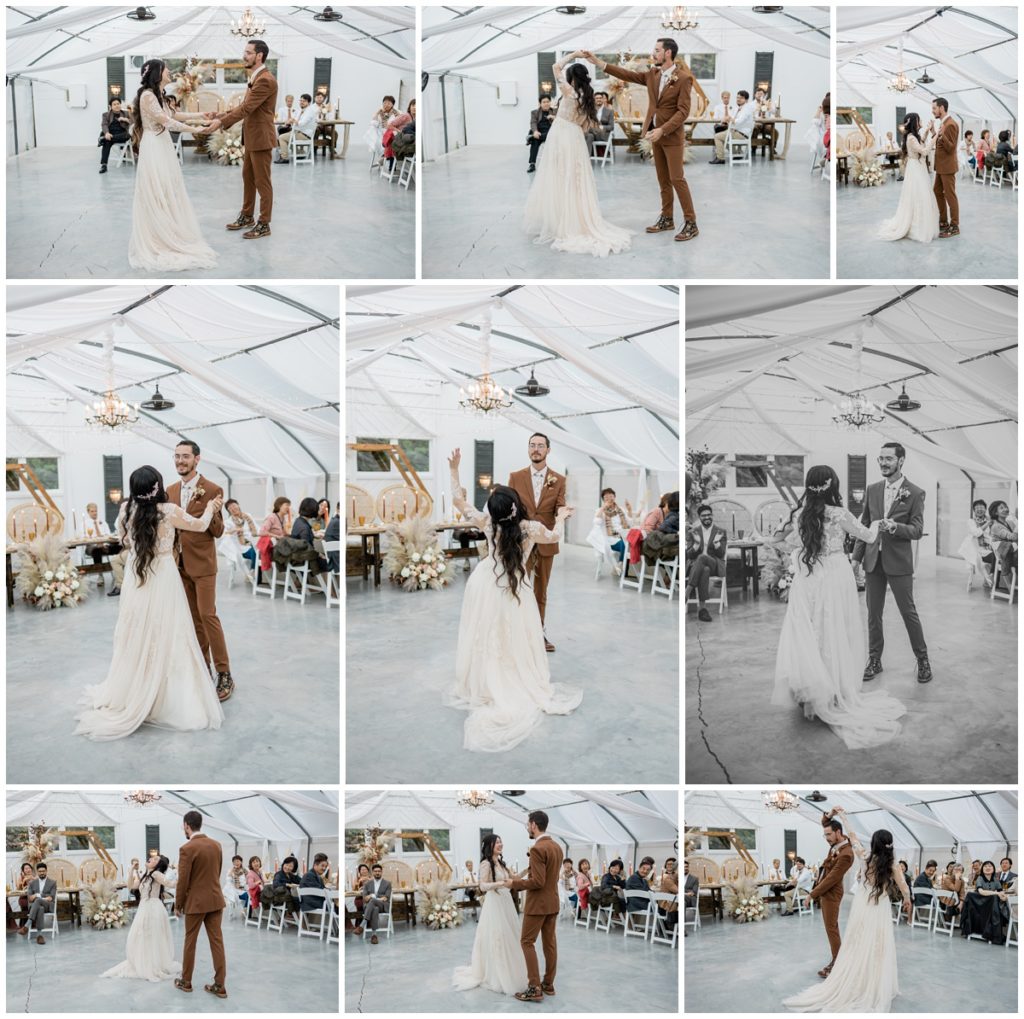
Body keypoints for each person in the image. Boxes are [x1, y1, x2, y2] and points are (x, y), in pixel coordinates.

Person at [74, 465, 225, 740]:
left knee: (137, 629)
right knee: (169, 630)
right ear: (157, 486)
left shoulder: (126, 510)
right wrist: (212, 509)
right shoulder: (168, 511)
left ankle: (136, 685)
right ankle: (165, 693)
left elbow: (123, 540)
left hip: (136, 574)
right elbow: (201, 526)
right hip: (164, 574)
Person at [447, 448, 582, 752]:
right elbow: (555, 536)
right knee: (514, 633)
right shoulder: (530, 528)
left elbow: (458, 501)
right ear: (516, 506)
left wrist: (455, 470)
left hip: (485, 582)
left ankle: (483, 681)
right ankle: (512, 676)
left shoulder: (487, 523)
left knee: (485, 632)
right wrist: (560, 516)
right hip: (513, 587)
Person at [773, 464, 907, 747]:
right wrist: (878, 523)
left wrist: (800, 552)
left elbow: (783, 543)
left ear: (810, 486)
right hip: (834, 573)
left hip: (808, 576)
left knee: (808, 630)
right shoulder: (838, 513)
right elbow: (868, 536)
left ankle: (809, 691)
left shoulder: (800, 514)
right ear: (831, 485)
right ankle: (832, 692)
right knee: (834, 629)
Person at [784, 807, 910, 1011]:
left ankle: (854, 973)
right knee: (879, 941)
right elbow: (903, 886)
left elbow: (851, 835)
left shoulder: (864, 855)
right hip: (880, 906)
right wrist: (908, 900)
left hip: (862, 904)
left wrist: (844, 815)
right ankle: (874, 979)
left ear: (874, 843)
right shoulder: (893, 865)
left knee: (857, 939)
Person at [584, 40, 697, 242]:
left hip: (670, 137)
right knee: (663, 180)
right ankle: (667, 218)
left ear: (668, 53)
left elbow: (683, 111)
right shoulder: (652, 75)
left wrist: (663, 129)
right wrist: (599, 63)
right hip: (653, 134)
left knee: (677, 179)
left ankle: (691, 223)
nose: (653, 53)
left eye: (657, 50)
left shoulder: (684, 78)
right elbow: (627, 75)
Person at [524, 54, 631, 256]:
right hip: (575, 137)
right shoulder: (587, 97)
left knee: (558, 176)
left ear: (572, 77)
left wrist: (574, 55)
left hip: (562, 135)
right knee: (574, 179)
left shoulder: (569, 91)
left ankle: (564, 220)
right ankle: (574, 217)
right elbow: (585, 125)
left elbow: (555, 65)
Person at [852, 443, 931, 683]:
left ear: (901, 460)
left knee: (908, 613)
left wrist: (896, 527)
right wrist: (856, 558)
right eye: (881, 459)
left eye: (888, 459)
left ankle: (923, 660)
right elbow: (864, 526)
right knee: (873, 614)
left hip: (898, 562)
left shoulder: (915, 493)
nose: (883, 463)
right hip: (873, 561)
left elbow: (917, 530)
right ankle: (874, 659)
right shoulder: (873, 489)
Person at [128, 60, 216, 271]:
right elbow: (169, 123)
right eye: (167, 70)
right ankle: (158, 237)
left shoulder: (158, 95)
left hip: (162, 144)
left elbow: (174, 115)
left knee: (168, 189)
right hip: (154, 146)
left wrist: (200, 116)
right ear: (158, 73)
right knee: (157, 190)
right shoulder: (148, 96)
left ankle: (168, 230)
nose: (170, 72)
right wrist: (198, 130)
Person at [166, 441, 234, 702]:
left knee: (208, 616)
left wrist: (214, 513)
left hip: (204, 565)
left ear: (197, 459)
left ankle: (224, 672)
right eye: (177, 457)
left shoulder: (213, 489)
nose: (180, 461)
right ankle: (202, 669)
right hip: (178, 565)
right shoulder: (170, 490)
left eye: (185, 456)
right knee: (194, 620)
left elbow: (217, 531)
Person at [203, 40, 278, 241]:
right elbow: (245, 106)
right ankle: (247, 216)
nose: (244, 56)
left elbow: (246, 109)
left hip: (261, 138)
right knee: (248, 178)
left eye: (248, 52)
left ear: (259, 55)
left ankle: (264, 224)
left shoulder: (265, 80)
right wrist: (220, 115)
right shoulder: (256, 77)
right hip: (253, 137)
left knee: (263, 182)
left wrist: (220, 123)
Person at [506, 433, 567, 650]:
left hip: (546, 543)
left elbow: (559, 505)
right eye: (532, 445)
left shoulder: (559, 479)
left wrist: (564, 512)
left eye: (541, 446)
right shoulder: (515, 476)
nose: (536, 449)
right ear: (528, 449)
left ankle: (539, 633)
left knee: (541, 591)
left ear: (548, 450)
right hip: (521, 543)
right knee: (518, 587)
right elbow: (509, 507)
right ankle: (516, 633)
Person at [452, 833, 528, 996]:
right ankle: (497, 974)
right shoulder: (486, 864)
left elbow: (513, 879)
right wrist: (501, 884)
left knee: (510, 935)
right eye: (497, 842)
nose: (501, 844)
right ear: (490, 846)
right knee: (498, 936)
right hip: (495, 903)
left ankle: (512, 968)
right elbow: (483, 886)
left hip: (506, 902)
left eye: (501, 842)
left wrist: (528, 869)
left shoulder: (501, 863)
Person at [509, 811, 563, 1003]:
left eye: (527, 824)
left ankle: (534, 987)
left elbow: (538, 881)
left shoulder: (537, 849)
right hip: (552, 902)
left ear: (533, 825)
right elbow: (549, 878)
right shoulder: (557, 847)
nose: (527, 828)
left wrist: (514, 884)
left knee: (526, 942)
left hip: (538, 904)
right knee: (550, 944)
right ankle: (548, 983)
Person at [173, 811, 227, 998]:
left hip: (196, 903)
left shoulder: (187, 848)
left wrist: (178, 904)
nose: (183, 829)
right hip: (215, 900)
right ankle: (220, 985)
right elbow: (217, 872)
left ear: (187, 825)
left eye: (183, 826)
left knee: (190, 942)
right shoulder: (217, 845)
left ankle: (186, 981)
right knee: (217, 942)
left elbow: (183, 881)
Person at [101, 854, 179, 981]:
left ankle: (152, 964)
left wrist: (179, 873)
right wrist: (132, 869)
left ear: (158, 865)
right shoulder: (145, 876)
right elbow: (131, 886)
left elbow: (170, 883)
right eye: (152, 857)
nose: (151, 858)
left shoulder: (156, 874)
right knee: (141, 935)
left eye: (155, 859)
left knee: (150, 935)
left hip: (153, 908)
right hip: (144, 907)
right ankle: (145, 960)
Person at [878, 112, 939, 243]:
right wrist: (936, 137)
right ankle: (916, 225)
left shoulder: (913, 136)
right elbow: (924, 151)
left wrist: (928, 131)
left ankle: (919, 221)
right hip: (916, 168)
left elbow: (921, 141)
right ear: (914, 123)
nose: (920, 121)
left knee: (920, 194)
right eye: (919, 120)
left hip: (917, 166)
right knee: (919, 195)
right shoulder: (911, 138)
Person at [686, 502, 726, 622]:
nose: (707, 517)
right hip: (697, 567)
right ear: (699, 517)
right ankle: (702, 610)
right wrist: (697, 544)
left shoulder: (720, 531)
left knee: (703, 558)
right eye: (704, 515)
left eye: (709, 515)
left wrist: (717, 543)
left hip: (714, 563)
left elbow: (721, 554)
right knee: (704, 569)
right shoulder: (693, 532)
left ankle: (687, 592)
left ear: (712, 515)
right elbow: (689, 554)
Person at [930, 97, 960, 238]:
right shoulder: (943, 124)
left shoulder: (951, 124)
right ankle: (943, 221)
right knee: (937, 191)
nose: (933, 111)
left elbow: (951, 148)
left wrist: (941, 135)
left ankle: (954, 226)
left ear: (942, 108)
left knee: (950, 196)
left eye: (934, 108)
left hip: (947, 167)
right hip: (941, 167)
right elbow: (941, 141)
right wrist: (933, 133)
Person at [587, 487, 632, 573]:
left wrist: (629, 510)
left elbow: (629, 522)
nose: (609, 499)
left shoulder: (620, 510)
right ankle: (622, 564)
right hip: (610, 540)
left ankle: (623, 569)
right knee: (624, 543)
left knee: (630, 542)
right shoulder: (600, 511)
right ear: (603, 500)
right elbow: (596, 522)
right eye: (606, 497)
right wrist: (603, 508)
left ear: (614, 497)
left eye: (611, 496)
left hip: (622, 535)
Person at [957, 498, 995, 589]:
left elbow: (992, 535)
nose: (979, 509)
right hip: (975, 549)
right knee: (994, 557)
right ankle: (990, 578)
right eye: (977, 508)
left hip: (987, 548)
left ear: (985, 509)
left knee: (998, 555)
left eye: (982, 507)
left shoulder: (990, 521)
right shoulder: (971, 521)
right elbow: (976, 533)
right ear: (974, 510)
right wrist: (987, 524)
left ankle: (991, 578)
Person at [16, 863, 57, 944]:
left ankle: (26, 926)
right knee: (40, 908)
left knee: (37, 900)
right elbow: (30, 898)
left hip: (48, 905)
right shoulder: (32, 883)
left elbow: (51, 897)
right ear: (37, 872)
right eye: (40, 871)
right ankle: (39, 936)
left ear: (46, 871)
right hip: (36, 906)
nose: (42, 873)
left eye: (43, 871)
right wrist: (44, 896)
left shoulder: (52, 882)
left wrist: (37, 895)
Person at [710, 89, 754, 164]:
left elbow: (738, 122)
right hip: (736, 131)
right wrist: (729, 119)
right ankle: (736, 153)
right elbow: (733, 119)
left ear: (746, 100)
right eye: (737, 97)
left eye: (741, 98)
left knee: (717, 136)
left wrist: (730, 119)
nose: (738, 99)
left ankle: (720, 158)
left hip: (741, 134)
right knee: (722, 136)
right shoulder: (739, 108)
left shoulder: (746, 109)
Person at [290, 497, 329, 572]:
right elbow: (308, 549)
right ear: (313, 510)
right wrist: (319, 554)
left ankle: (300, 580)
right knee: (332, 563)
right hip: (304, 560)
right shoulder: (305, 528)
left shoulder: (298, 521)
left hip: (295, 557)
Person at [277, 92, 317, 163]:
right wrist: (290, 120)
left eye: (304, 101)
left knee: (282, 137)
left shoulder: (310, 111)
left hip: (304, 134)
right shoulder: (301, 110)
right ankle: (300, 153)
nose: (301, 102)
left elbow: (301, 123)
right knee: (286, 136)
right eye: (300, 100)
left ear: (309, 102)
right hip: (298, 132)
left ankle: (284, 158)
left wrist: (293, 121)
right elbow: (295, 119)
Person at [223, 498, 258, 575]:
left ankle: (258, 578)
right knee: (255, 551)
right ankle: (253, 571)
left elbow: (256, 528)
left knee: (260, 548)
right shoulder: (228, 522)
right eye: (230, 508)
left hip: (254, 541)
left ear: (238, 505)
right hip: (242, 547)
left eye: (234, 505)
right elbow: (224, 533)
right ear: (228, 511)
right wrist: (234, 530)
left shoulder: (248, 515)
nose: (233, 508)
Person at [357, 863, 391, 945]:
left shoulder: (387, 883)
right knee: (374, 908)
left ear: (382, 872)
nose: (377, 873)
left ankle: (362, 925)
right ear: (372, 872)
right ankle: (374, 936)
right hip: (371, 906)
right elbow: (365, 898)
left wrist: (373, 897)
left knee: (372, 900)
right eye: (375, 871)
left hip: (382, 905)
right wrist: (372, 897)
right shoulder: (367, 884)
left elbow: (386, 898)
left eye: (379, 871)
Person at [988, 500, 1017, 586]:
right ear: (996, 512)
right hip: (1006, 556)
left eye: (1005, 507)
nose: (1005, 509)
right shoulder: (996, 526)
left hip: (1013, 553)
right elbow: (1013, 537)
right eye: (1001, 508)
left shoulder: (1010, 522)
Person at [99, 97, 132, 173]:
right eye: (114, 104)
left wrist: (125, 119)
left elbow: (133, 122)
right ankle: (104, 165)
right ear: (111, 106)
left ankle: (104, 139)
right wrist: (107, 133)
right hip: (110, 133)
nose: (117, 106)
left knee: (127, 135)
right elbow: (104, 124)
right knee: (107, 142)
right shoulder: (106, 114)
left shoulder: (126, 113)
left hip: (121, 134)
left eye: (118, 104)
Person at [526, 95, 556, 171]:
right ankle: (532, 164)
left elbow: (561, 122)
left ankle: (531, 137)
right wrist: (535, 131)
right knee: (535, 141)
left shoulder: (555, 111)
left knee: (550, 135)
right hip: (539, 132)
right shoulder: (534, 112)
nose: (546, 104)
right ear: (540, 103)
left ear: (550, 102)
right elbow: (533, 123)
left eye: (548, 102)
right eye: (544, 102)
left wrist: (554, 117)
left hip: (550, 133)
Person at [299, 854, 330, 918]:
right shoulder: (309, 875)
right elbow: (320, 891)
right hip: (310, 903)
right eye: (322, 866)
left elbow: (322, 889)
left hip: (314, 901)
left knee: (336, 905)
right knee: (336, 906)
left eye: (326, 866)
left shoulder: (317, 876)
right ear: (315, 865)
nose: (324, 868)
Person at [584, 91, 614, 156]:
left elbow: (612, 127)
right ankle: (587, 158)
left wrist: (602, 127)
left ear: (603, 99)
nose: (599, 99)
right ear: (594, 100)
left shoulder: (609, 111)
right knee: (589, 136)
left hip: (603, 134)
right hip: (593, 133)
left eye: (600, 98)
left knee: (589, 130)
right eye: (597, 98)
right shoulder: (591, 111)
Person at [324, 503, 341, 572]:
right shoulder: (337, 522)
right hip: (336, 560)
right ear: (337, 509)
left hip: (334, 557)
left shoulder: (335, 520)